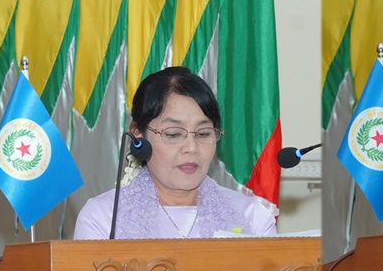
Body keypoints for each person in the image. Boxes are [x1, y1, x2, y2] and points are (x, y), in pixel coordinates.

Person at [74, 66, 277, 239]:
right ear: (138, 135)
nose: (191, 147)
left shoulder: (251, 218)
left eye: (203, 133)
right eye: (173, 134)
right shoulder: (103, 219)